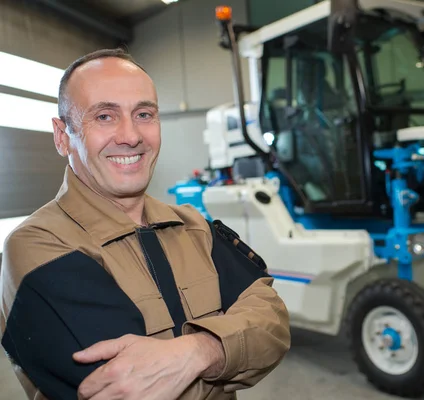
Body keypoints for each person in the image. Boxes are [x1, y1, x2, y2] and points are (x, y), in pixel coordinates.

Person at [0, 48, 291, 400]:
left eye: (143, 114)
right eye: (105, 116)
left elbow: (273, 321)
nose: (131, 135)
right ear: (63, 136)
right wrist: (234, 350)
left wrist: (201, 350)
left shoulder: (192, 225)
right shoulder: (40, 245)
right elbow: (125, 387)